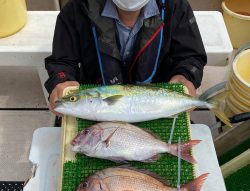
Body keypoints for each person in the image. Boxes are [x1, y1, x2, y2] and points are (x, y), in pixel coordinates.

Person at [45, 0, 207, 116]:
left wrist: (185, 76)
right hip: (96, 105)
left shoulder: (176, 6)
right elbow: (62, 61)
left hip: (157, 105)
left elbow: (190, 56)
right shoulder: (76, 9)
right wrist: (62, 80)